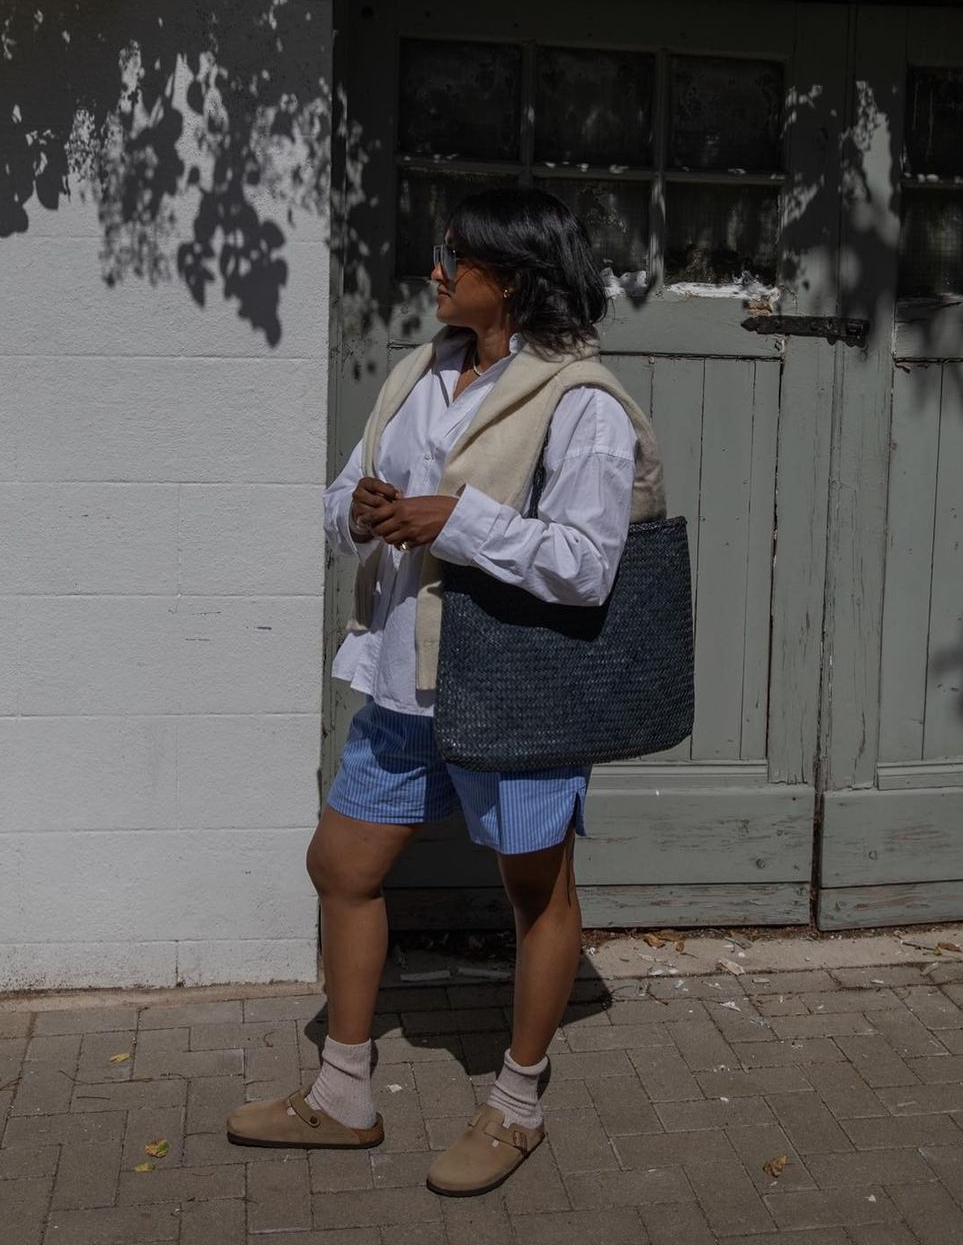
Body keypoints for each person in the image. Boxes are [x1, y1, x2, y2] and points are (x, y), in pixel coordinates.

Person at [225, 186, 661, 1196]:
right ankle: (341, 1094)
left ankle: (514, 1104)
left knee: (531, 889)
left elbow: (586, 564)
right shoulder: (418, 374)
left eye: (453, 259)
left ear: (509, 278)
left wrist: (452, 522)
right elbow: (340, 500)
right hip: (400, 678)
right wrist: (366, 512)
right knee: (340, 862)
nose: (433, 272)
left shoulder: (578, 402)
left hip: (512, 685)